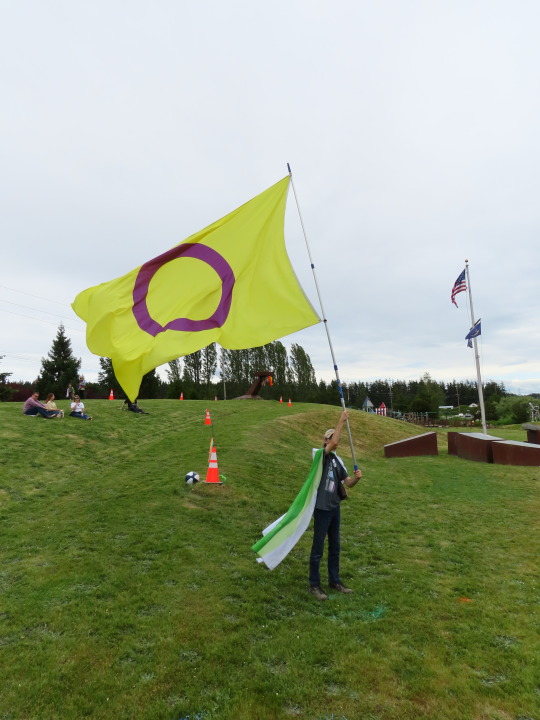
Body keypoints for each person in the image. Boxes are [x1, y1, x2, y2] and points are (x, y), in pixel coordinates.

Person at [309, 410, 362, 601]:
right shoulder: (318, 455)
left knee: (335, 546)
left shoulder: (338, 460)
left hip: (334, 508)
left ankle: (334, 581)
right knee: (318, 548)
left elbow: (347, 483)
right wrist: (341, 421)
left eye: (334, 436)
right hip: (321, 508)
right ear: (324, 440)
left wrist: (356, 479)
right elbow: (335, 443)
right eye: (330, 437)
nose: (333, 440)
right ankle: (314, 585)